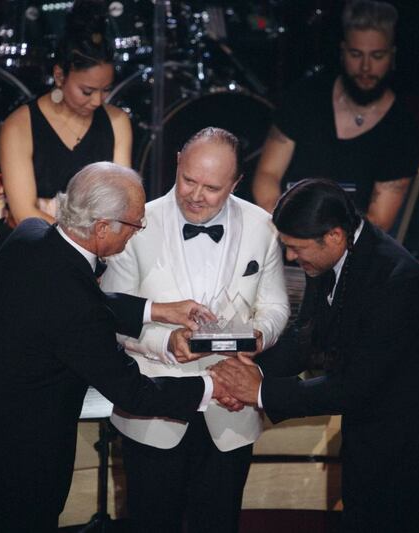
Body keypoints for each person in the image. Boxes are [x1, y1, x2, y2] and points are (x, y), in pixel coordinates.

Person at [0, 162, 241, 532]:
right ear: (102, 228)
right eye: (135, 224)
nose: (138, 231)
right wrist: (214, 386)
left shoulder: (31, 235)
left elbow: (73, 296)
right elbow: (134, 392)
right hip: (19, 469)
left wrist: (158, 310)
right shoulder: (76, 309)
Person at [213, 179, 419, 532]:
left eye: (297, 248)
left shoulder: (397, 283)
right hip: (370, 440)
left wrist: (259, 391)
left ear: (335, 236)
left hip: (418, 448)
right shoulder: (328, 260)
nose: (291, 257)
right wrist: (246, 373)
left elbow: (354, 387)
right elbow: (305, 339)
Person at [100, 128, 290, 533]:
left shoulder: (263, 227)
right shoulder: (135, 222)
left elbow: (275, 306)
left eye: (212, 187)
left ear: (236, 183)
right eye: (188, 180)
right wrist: (165, 341)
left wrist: (259, 337)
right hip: (153, 412)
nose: (195, 195)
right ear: (177, 163)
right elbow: (111, 317)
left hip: (231, 413)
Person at [251, 0, 419, 233]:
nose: (366, 68)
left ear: (392, 56)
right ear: (342, 51)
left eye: (377, 56)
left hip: (347, 254)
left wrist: (320, 247)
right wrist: (286, 228)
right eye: (356, 54)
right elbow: (267, 175)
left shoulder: (402, 129)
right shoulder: (305, 96)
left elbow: (378, 222)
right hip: (282, 234)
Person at [0, 0, 132, 225]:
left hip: (98, 252)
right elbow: (24, 215)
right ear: (60, 76)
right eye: (87, 91)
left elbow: (120, 205)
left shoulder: (117, 121)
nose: (98, 101)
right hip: (35, 249)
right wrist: (87, 236)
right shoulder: (20, 125)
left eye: (106, 90)